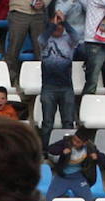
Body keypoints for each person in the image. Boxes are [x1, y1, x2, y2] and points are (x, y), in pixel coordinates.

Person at [38, 9, 81, 148]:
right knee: (47, 123)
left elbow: (76, 36)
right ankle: (45, 150)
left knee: (68, 122)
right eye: (55, 25)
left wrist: (65, 21)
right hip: (48, 88)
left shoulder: (69, 41)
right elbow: (41, 39)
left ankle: (67, 151)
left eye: (60, 25)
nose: (58, 27)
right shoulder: (44, 40)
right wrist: (53, 24)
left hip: (66, 87)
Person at [45, 126, 101, 201]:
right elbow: (50, 149)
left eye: (78, 142)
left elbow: (103, 159)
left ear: (84, 143)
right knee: (50, 199)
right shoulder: (66, 142)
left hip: (78, 177)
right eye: (74, 139)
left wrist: (97, 157)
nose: (74, 143)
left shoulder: (90, 148)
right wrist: (62, 150)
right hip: (62, 176)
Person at [3, 0, 46, 80]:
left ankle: (42, 79)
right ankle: (8, 80)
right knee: (13, 48)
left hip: (39, 13)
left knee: (42, 50)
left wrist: (44, 2)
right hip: (19, 10)